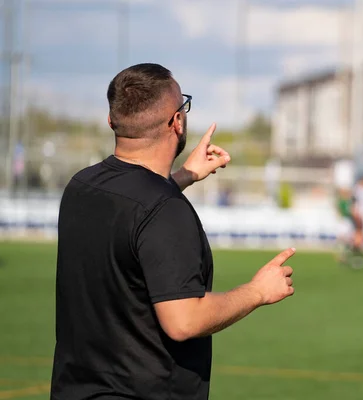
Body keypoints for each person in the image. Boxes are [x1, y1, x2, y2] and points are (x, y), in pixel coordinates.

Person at [50, 63, 296, 400]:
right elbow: (183, 321)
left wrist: (182, 177)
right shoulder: (164, 209)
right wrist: (257, 292)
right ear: (176, 121)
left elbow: (132, 211)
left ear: (112, 122)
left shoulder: (83, 186)